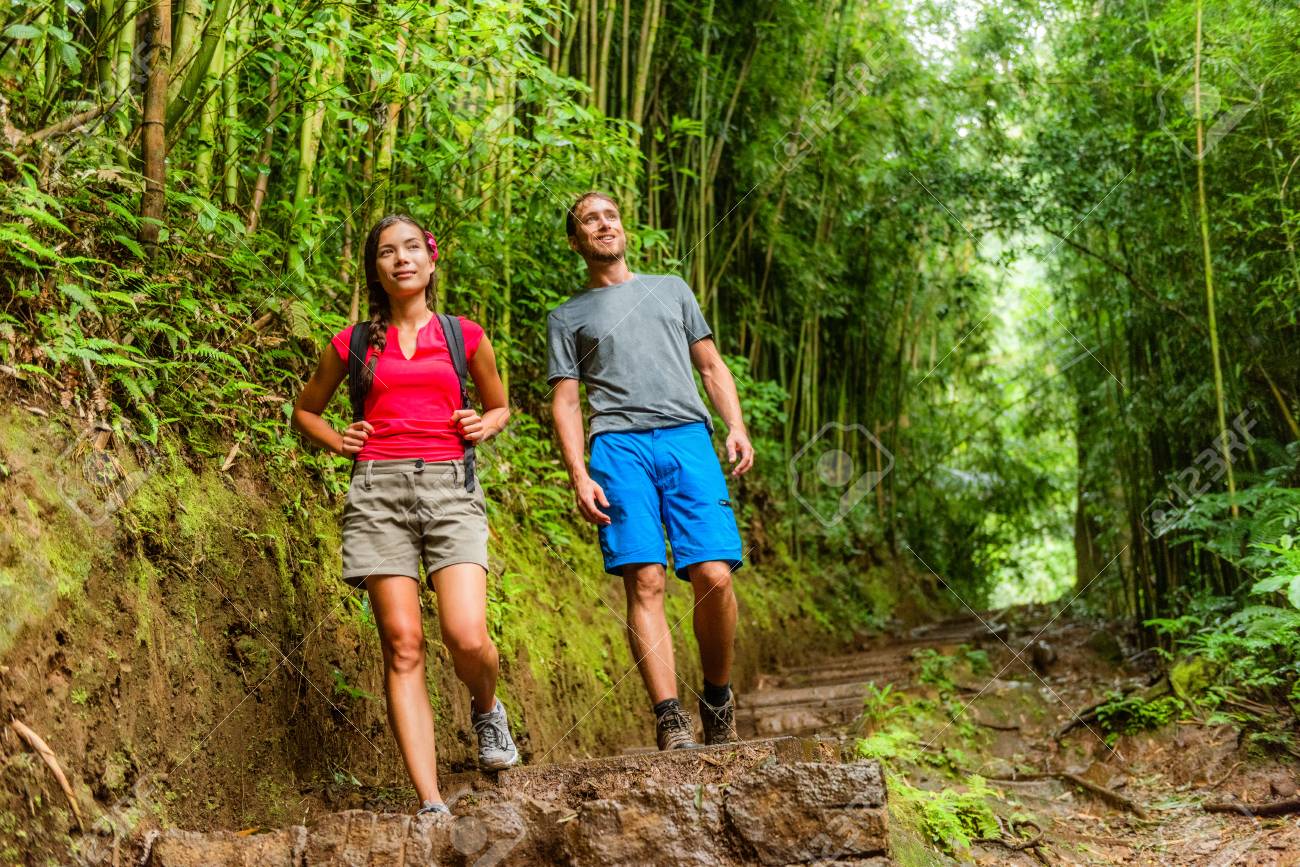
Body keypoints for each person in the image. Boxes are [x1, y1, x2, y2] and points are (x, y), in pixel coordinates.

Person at [292, 214, 518, 816]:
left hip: (451, 486)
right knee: (402, 643)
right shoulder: (354, 343)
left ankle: (487, 709)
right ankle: (430, 801)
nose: (401, 260)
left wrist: (483, 423)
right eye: (387, 252)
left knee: (466, 635)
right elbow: (306, 411)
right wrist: (338, 439)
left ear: (431, 258)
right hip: (377, 493)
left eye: (412, 248)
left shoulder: (464, 335)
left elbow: (499, 406)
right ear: (376, 269)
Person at [547, 191, 755, 751]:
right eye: (590, 220)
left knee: (714, 575)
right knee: (646, 579)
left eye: (610, 216)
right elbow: (566, 402)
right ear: (576, 240)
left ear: (623, 229)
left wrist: (734, 424)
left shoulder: (671, 289)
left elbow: (711, 366)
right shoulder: (567, 317)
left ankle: (716, 697)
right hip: (617, 448)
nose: (603, 225)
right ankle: (669, 718)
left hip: (688, 439)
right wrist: (577, 473)